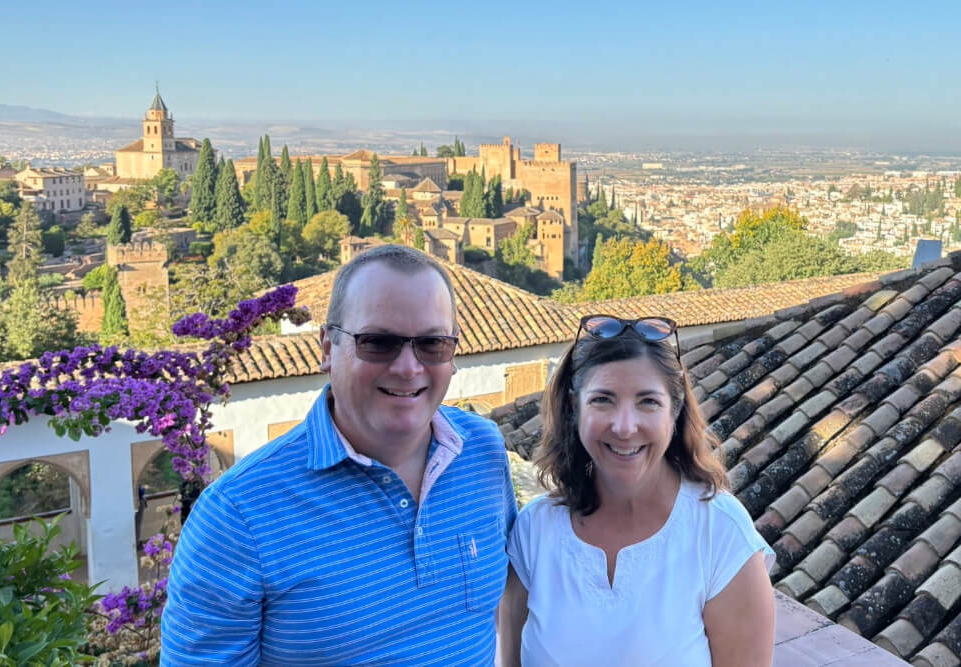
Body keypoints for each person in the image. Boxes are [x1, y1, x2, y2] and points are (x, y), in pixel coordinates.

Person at [161, 244, 517, 665]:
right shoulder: (237, 518)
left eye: (432, 344)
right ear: (327, 348)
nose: (408, 367)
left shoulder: (483, 450)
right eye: (378, 342)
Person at [498, 314, 775, 666]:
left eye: (648, 402)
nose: (625, 427)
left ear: (674, 411)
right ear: (573, 408)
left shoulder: (720, 533)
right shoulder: (534, 531)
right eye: (603, 400)